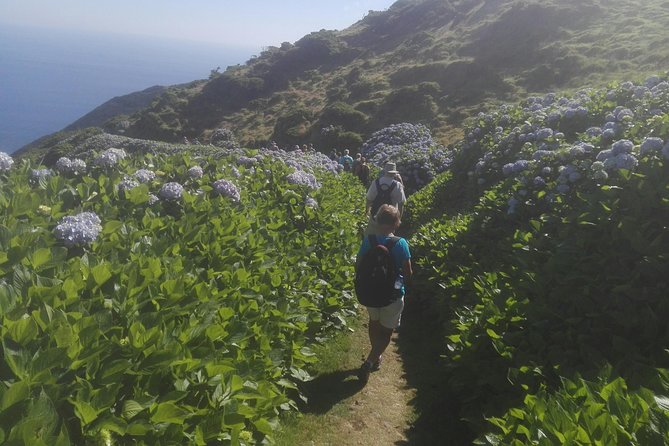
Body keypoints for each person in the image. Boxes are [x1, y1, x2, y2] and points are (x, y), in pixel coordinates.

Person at [355, 204, 412, 383]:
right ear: (396, 223)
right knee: (387, 331)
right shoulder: (400, 243)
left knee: (374, 322)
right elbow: (408, 272)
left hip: (370, 293)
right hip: (393, 296)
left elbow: (359, 264)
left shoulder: (369, 240)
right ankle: (371, 360)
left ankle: (375, 355)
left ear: (378, 221)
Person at [365, 161, 406, 235]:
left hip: (375, 216)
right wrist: (398, 219)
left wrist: (367, 211)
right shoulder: (397, 185)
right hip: (390, 220)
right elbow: (401, 204)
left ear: (385, 171)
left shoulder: (376, 182)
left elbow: (369, 199)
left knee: (370, 237)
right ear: (394, 173)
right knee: (387, 240)